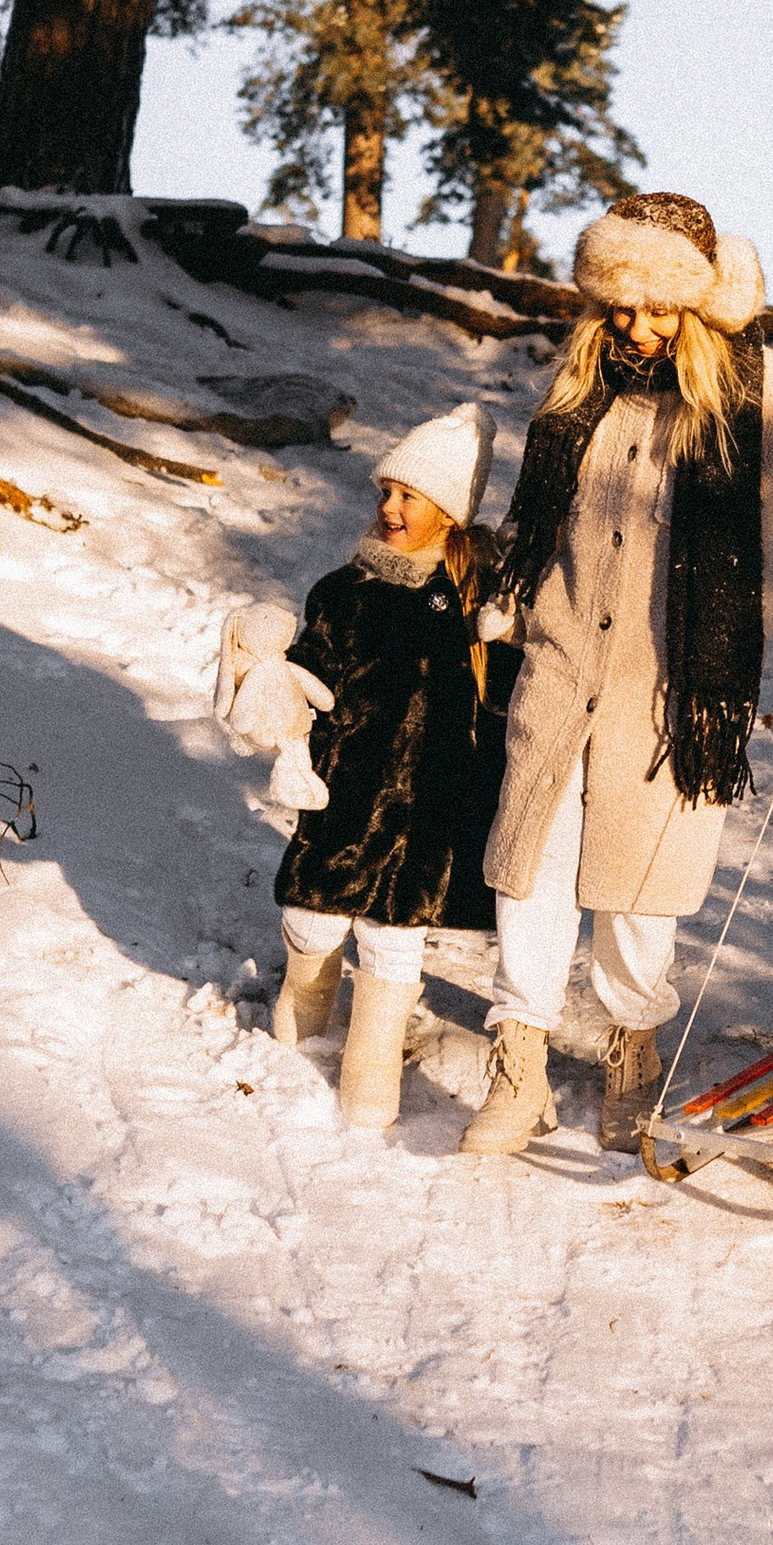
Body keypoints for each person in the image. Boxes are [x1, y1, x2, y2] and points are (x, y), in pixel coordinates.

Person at [462, 189, 773, 1161]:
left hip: (676, 687)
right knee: (531, 872)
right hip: (560, 667)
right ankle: (517, 1065)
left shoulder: (756, 387)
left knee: (639, 892)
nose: (631, 324)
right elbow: (537, 509)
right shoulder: (580, 381)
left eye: (651, 305)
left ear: (695, 300)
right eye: (616, 304)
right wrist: (502, 598)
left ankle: (631, 1050)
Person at [213, 403, 499, 1130]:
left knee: (393, 937)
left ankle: (371, 1070)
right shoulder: (344, 591)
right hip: (345, 786)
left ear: (449, 511)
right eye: (385, 492)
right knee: (312, 916)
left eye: (409, 496)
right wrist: (269, 676)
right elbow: (311, 672)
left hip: (431, 800)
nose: (390, 507)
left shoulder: (471, 598)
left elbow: (503, 694)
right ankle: (303, 1012)